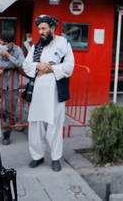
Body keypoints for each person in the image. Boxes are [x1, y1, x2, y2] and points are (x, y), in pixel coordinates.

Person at [23, 15, 74, 172]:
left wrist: (51, 68)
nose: (41, 32)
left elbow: (70, 66)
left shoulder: (63, 44)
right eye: (39, 29)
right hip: (38, 93)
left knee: (55, 126)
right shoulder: (36, 46)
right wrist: (39, 65)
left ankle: (55, 158)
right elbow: (26, 65)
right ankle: (37, 156)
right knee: (35, 124)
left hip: (55, 94)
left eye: (44, 28)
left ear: (52, 28)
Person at [0, 32, 25, 145]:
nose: (1, 44)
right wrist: (14, 65)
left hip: (13, 85)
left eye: (4, 43)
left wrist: (8, 56)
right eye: (0, 42)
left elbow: (22, 65)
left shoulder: (18, 50)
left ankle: (6, 135)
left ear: (10, 43)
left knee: (10, 111)